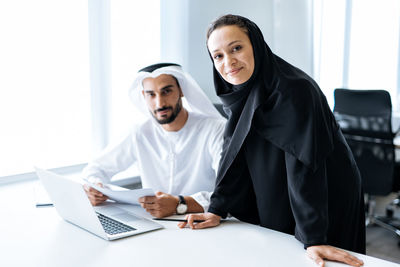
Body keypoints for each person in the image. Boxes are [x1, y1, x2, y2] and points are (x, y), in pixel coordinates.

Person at [178, 15, 365, 267]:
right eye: (218, 56)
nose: (229, 62)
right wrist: (217, 208)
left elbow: (304, 164)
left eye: (236, 48)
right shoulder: (240, 89)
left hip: (323, 192)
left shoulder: (294, 90)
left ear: (255, 44)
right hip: (280, 183)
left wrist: (314, 237)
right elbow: (234, 151)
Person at [83, 63, 226, 218]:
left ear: (181, 90)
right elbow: (95, 169)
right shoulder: (140, 132)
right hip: (155, 225)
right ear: (144, 96)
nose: (160, 103)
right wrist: (93, 188)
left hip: (205, 222)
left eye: (166, 91)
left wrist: (179, 204)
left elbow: (230, 191)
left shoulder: (216, 129)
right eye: (151, 94)